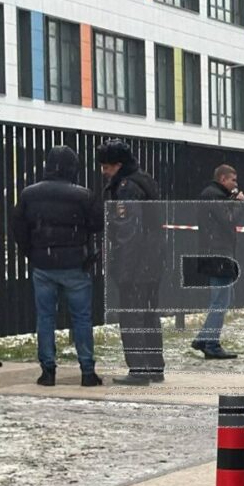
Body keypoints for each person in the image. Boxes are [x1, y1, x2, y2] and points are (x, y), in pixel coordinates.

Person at [11, 146, 104, 386]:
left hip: (43, 265)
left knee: (45, 318)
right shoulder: (83, 195)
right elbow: (97, 224)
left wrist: (32, 252)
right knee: (82, 318)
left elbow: (19, 229)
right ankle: (87, 371)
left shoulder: (29, 194)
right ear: (73, 168)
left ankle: (48, 371)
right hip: (75, 264)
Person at [98, 139, 166, 384]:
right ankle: (154, 366)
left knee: (131, 315)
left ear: (118, 165)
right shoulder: (144, 180)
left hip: (135, 263)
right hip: (152, 260)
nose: (104, 172)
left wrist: (123, 269)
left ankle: (138, 369)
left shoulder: (127, 188)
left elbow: (128, 231)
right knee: (149, 313)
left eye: (107, 167)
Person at [192, 165, 244, 359]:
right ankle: (211, 344)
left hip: (216, 254)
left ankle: (203, 338)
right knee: (220, 301)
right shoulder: (214, 196)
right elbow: (229, 219)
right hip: (219, 255)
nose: (235, 185)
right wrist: (239, 204)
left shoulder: (212, 195)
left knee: (223, 299)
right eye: (233, 180)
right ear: (223, 179)